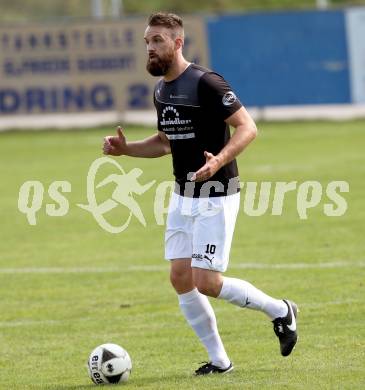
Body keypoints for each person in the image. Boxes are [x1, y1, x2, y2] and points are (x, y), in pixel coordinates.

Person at [103, 12, 298, 375]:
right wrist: (126, 150)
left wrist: (219, 160)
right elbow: (165, 142)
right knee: (180, 277)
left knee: (207, 282)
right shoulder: (161, 90)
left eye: (157, 41)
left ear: (178, 43)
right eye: (147, 41)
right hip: (183, 194)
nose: (150, 48)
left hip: (216, 192)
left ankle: (280, 311)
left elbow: (248, 127)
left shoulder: (206, 82)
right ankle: (221, 362)